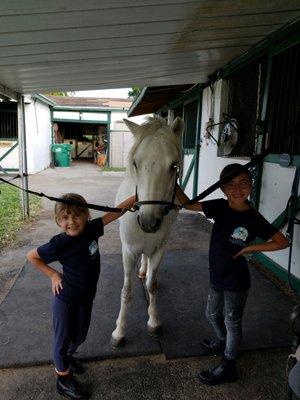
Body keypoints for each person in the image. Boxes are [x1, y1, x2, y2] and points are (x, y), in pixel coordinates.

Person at [176, 163, 289, 385]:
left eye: (243, 183)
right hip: (216, 275)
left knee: (232, 322)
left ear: (251, 186)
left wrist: (250, 248)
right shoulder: (219, 207)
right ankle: (223, 341)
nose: (237, 189)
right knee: (211, 314)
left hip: (237, 281)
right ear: (223, 189)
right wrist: (174, 184)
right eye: (231, 185)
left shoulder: (253, 218)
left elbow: (282, 242)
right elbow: (188, 205)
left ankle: (229, 364)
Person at [27, 192, 135, 400]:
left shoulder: (92, 229)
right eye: (65, 218)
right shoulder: (59, 243)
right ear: (58, 220)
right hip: (65, 298)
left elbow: (115, 213)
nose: (72, 222)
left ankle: (67, 357)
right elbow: (32, 256)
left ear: (86, 215)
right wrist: (52, 275)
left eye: (77, 215)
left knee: (80, 336)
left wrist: (137, 197)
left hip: (86, 297)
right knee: (62, 339)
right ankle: (63, 379)